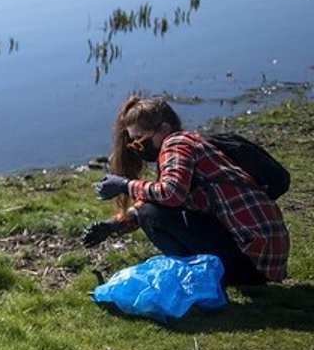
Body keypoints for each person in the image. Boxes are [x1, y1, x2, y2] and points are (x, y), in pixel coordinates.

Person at [83, 94, 289, 285]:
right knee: (150, 208)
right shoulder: (192, 142)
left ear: (164, 128)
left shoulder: (175, 144)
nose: (139, 147)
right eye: (134, 144)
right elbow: (162, 198)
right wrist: (115, 225)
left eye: (141, 140)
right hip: (263, 258)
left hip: (253, 262)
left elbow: (170, 194)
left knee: (150, 213)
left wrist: (124, 185)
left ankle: (199, 278)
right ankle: (204, 273)